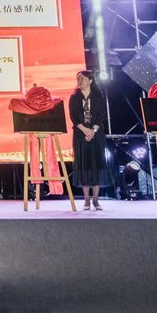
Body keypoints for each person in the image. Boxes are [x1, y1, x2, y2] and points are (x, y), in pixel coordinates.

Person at [68, 70, 108, 211]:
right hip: (80, 134)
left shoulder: (98, 96)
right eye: (78, 79)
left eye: (83, 79)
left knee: (96, 164)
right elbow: (73, 116)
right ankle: (86, 200)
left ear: (90, 81)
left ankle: (96, 200)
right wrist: (85, 130)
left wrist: (93, 131)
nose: (80, 81)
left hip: (97, 134)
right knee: (83, 165)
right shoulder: (74, 97)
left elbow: (101, 115)